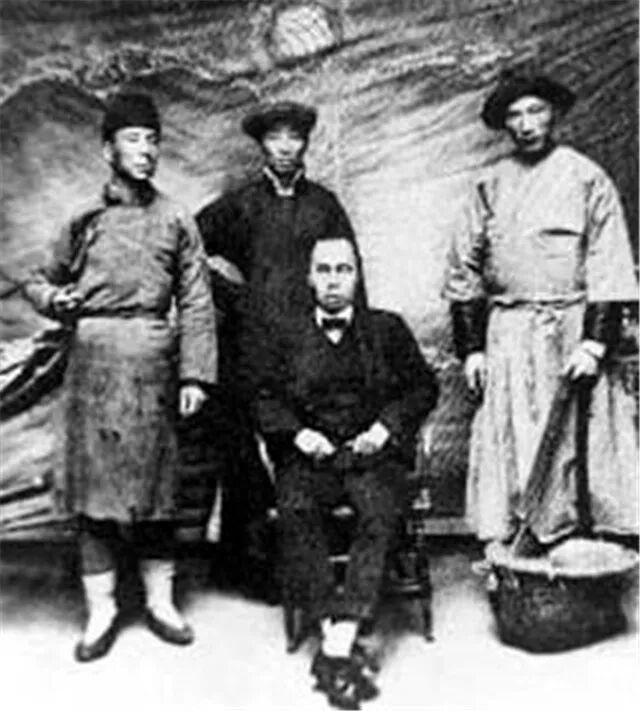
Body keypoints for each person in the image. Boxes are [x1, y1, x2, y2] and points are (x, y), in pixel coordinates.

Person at [23, 93, 218, 662]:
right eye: (133, 139)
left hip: (155, 367)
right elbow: (37, 279)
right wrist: (54, 299)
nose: (146, 151)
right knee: (94, 498)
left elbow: (197, 302)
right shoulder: (83, 217)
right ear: (108, 150)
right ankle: (101, 612)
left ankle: (161, 603)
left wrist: (195, 377)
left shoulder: (177, 218)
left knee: (158, 494)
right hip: (94, 369)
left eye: (153, 140)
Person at [444, 69, 638, 548]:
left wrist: (594, 344)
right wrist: (472, 349)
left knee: (584, 436)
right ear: (504, 124)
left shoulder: (587, 177)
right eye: (515, 115)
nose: (526, 124)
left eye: (535, 111)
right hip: (510, 332)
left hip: (574, 329)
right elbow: (462, 268)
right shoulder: (489, 184)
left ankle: (584, 538)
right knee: (516, 432)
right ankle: (522, 539)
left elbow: (609, 262)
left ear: (553, 115)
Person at [256, 236, 438, 709]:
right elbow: (262, 397)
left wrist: (384, 428)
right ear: (309, 278)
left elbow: (423, 387)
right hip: (310, 458)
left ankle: (338, 643)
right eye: (324, 270)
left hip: (370, 456)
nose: (334, 281)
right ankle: (330, 631)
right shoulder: (285, 333)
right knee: (296, 510)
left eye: (343, 270)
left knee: (379, 513)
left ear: (357, 276)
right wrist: (298, 434)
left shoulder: (386, 329)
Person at [194, 101, 366, 595]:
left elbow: (350, 272)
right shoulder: (241, 204)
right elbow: (187, 251)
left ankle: (307, 566)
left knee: (301, 445)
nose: (286, 147)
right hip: (249, 347)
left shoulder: (325, 205)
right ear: (261, 146)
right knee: (246, 456)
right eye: (275, 138)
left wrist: (353, 341)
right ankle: (250, 569)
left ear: (306, 143)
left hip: (309, 348)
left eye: (295, 137)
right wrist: (233, 297)